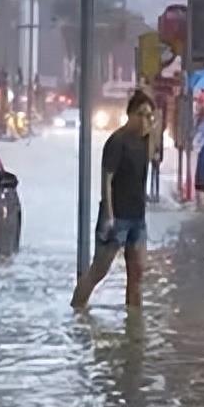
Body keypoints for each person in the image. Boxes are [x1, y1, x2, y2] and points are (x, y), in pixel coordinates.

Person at [71, 91, 157, 310]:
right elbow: (106, 180)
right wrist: (109, 214)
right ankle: (77, 310)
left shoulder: (145, 141)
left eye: (149, 116)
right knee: (99, 270)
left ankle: (134, 324)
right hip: (116, 216)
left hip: (137, 217)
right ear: (130, 114)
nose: (145, 120)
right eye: (141, 114)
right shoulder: (117, 141)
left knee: (137, 273)